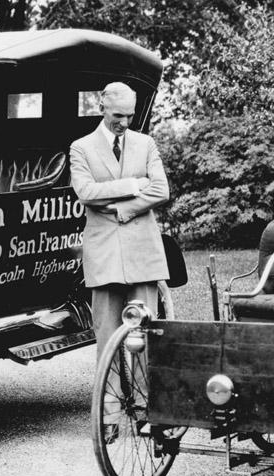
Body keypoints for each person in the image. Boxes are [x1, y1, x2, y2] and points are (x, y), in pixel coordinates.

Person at [69, 81, 170, 358]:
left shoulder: (145, 143)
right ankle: (109, 402)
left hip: (142, 250)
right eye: (118, 116)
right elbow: (86, 192)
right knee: (107, 335)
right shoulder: (81, 148)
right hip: (104, 252)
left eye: (130, 116)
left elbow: (161, 190)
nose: (124, 123)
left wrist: (119, 208)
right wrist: (134, 185)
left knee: (144, 331)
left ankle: (142, 400)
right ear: (102, 107)